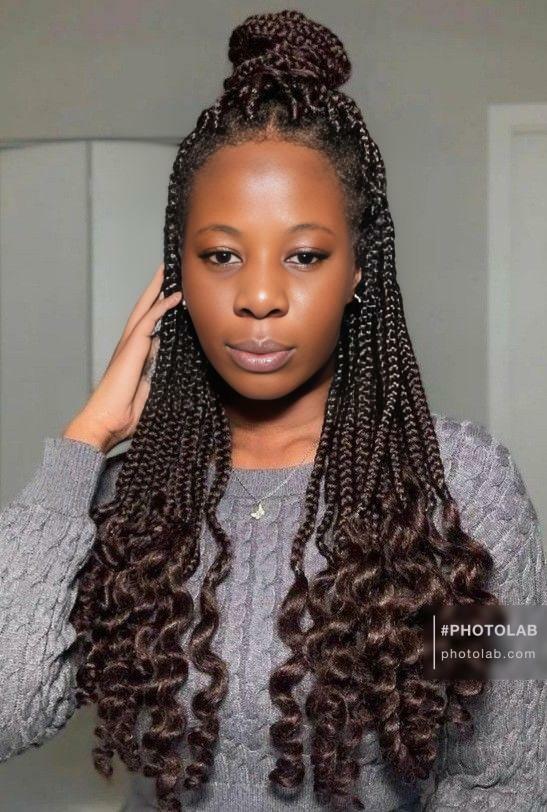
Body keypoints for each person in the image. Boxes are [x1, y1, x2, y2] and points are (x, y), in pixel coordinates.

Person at [0, 9, 545, 812]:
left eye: (304, 255)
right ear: (177, 274)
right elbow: (8, 709)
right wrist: (84, 442)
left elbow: (504, 778)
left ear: (356, 272)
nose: (258, 296)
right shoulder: (131, 494)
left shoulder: (461, 487)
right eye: (221, 255)